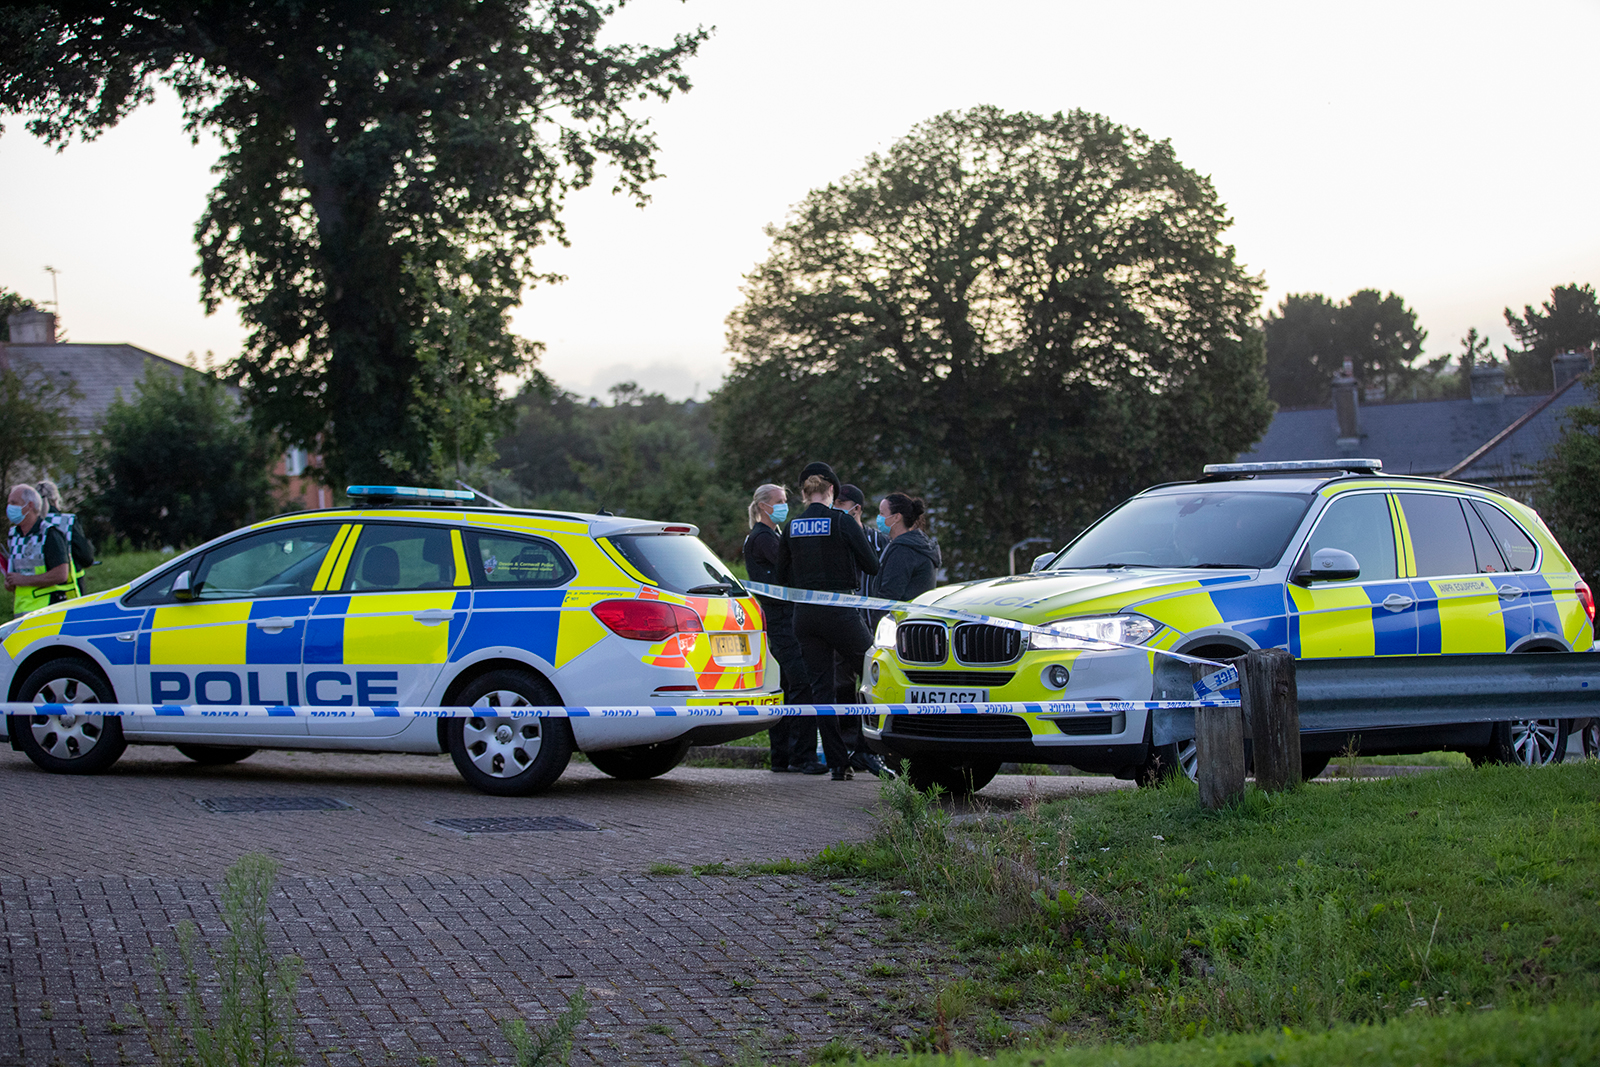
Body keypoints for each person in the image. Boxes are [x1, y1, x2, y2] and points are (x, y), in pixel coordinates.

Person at [778, 462, 880, 780]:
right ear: (832, 491)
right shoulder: (842, 521)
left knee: (821, 688)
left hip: (804, 615)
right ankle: (865, 750)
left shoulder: (792, 526)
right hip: (839, 609)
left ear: (805, 494)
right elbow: (872, 565)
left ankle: (837, 763)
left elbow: (782, 577)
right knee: (872, 669)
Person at [742, 482, 825, 774]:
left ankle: (783, 756)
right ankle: (802, 756)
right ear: (763, 505)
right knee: (800, 683)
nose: (783, 505)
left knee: (789, 687)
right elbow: (790, 567)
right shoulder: (763, 538)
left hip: (782, 618)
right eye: (778, 501)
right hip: (781, 619)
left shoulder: (769, 536)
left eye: (785, 500)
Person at [833, 483, 895, 779]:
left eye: (842, 504)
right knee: (841, 685)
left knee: (870, 686)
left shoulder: (879, 540)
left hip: (873, 623)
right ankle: (848, 748)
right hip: (843, 622)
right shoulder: (834, 537)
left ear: (856, 508)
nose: (837, 508)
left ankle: (866, 747)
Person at [5, 483, 81, 615]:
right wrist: (11, 582)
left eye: (14, 502)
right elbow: (18, 577)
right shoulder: (14, 535)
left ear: (29, 505)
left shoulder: (50, 534)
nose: (9, 507)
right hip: (23, 611)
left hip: (49, 609)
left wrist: (24, 580)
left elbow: (61, 574)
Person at [874, 493, 942, 605]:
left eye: (882, 513)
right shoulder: (917, 544)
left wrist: (876, 620)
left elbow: (890, 593)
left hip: (901, 619)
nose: (879, 517)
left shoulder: (903, 550)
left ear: (897, 517)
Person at [37, 479, 95, 592]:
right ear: (56, 499)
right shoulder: (68, 521)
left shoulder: (32, 523)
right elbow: (86, 556)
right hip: (68, 588)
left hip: (38, 590)